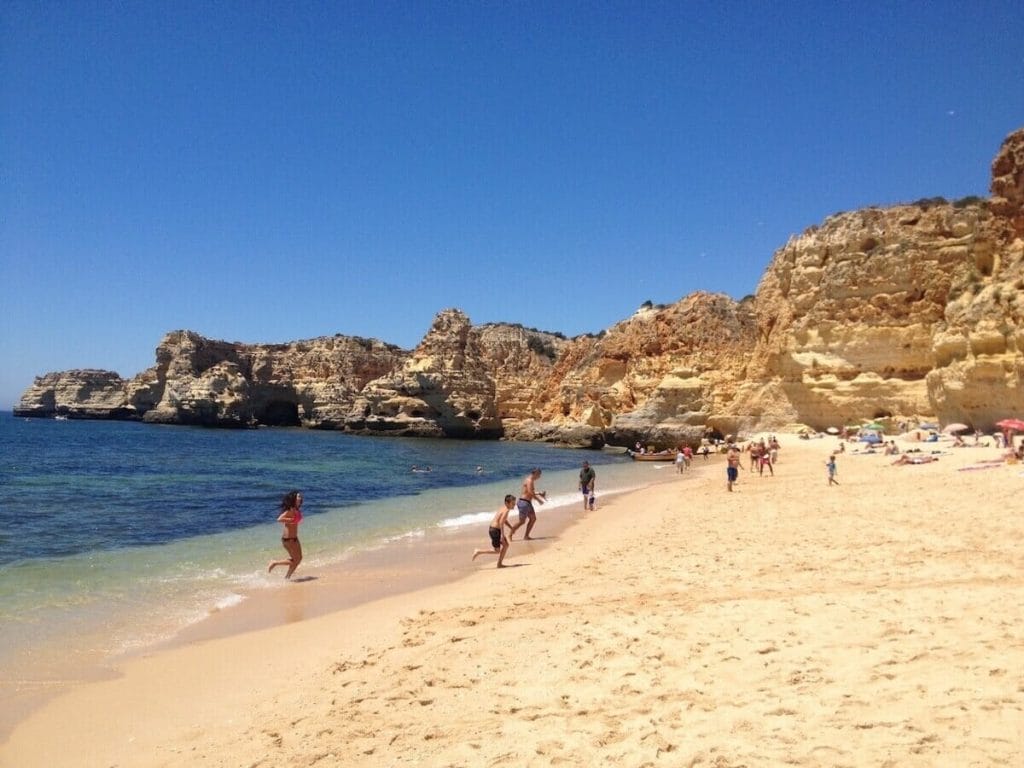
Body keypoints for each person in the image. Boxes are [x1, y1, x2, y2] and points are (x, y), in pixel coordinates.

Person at [268, 490, 304, 579]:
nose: (300, 497)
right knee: (296, 560)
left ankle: (287, 577)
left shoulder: (296, 509)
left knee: (298, 559)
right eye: (298, 496)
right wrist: (291, 520)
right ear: (294, 499)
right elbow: (279, 519)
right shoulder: (290, 510)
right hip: (288, 540)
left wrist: (292, 520)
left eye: (300, 496)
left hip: (295, 538)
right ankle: (275, 562)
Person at [472, 494, 515, 567]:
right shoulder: (507, 510)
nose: (514, 505)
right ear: (507, 503)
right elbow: (501, 522)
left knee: (506, 545)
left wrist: (511, 527)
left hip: (493, 529)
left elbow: (503, 520)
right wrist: (502, 535)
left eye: (514, 503)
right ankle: (478, 551)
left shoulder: (503, 508)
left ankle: (499, 564)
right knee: (497, 550)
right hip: (495, 531)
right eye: (513, 503)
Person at [508, 468, 546, 540]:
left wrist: (539, 493)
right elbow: (530, 492)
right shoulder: (529, 480)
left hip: (527, 503)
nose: (539, 477)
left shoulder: (530, 481)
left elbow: (529, 492)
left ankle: (526, 536)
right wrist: (538, 500)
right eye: (539, 475)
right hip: (524, 503)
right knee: (522, 521)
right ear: (535, 473)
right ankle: (510, 534)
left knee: (533, 519)